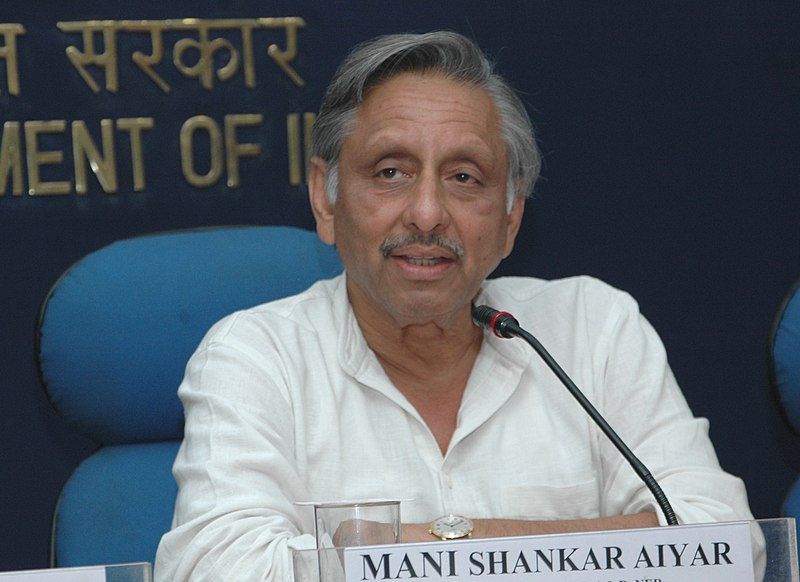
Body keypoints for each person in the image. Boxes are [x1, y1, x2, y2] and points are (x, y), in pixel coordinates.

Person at [155, 31, 755, 580]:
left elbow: (728, 547)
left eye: (465, 178)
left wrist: (437, 545)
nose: (426, 213)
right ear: (326, 198)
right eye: (390, 171)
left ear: (512, 216)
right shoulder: (256, 357)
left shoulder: (594, 329)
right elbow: (216, 568)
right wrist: (600, 548)